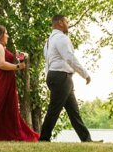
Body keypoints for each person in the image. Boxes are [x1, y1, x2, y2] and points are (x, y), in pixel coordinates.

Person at [39, 14, 98, 143]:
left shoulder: (48, 42)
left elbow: (47, 61)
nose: (68, 24)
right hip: (61, 76)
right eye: (66, 21)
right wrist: (85, 74)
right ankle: (43, 138)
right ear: (60, 22)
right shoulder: (61, 38)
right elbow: (69, 58)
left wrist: (49, 77)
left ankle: (86, 139)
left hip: (56, 76)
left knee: (73, 111)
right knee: (54, 108)